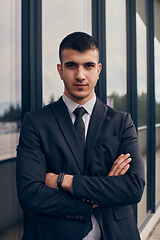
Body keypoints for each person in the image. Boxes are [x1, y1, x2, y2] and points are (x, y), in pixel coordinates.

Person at [16, 32, 145, 240]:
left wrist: (65, 181)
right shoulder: (36, 122)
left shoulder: (122, 122)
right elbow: (30, 195)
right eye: (71, 65)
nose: (80, 75)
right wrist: (99, 195)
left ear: (98, 70)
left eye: (88, 66)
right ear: (60, 70)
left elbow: (134, 187)